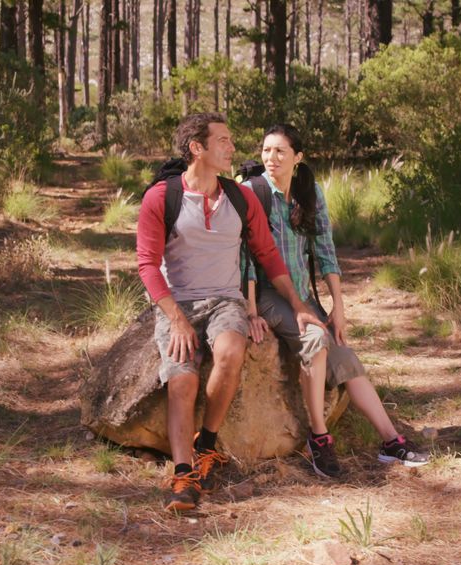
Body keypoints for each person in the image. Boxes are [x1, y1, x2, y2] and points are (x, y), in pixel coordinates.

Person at [136, 113, 324, 511]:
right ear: (197, 149)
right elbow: (148, 265)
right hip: (179, 302)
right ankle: (184, 475)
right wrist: (176, 319)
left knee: (231, 351)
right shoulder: (161, 197)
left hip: (225, 300)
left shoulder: (240, 198)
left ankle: (206, 445)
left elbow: (268, 255)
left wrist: (298, 305)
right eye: (223, 141)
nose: (232, 148)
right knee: (182, 381)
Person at [244, 124, 429, 478]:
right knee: (314, 341)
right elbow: (246, 259)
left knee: (345, 355)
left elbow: (325, 251)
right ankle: (319, 437)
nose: (272, 158)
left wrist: (338, 309)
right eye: (267, 150)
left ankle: (391, 442)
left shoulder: (308, 191)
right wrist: (251, 310)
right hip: (269, 295)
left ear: (298, 157)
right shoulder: (252, 193)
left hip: (302, 296)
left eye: (281, 151)